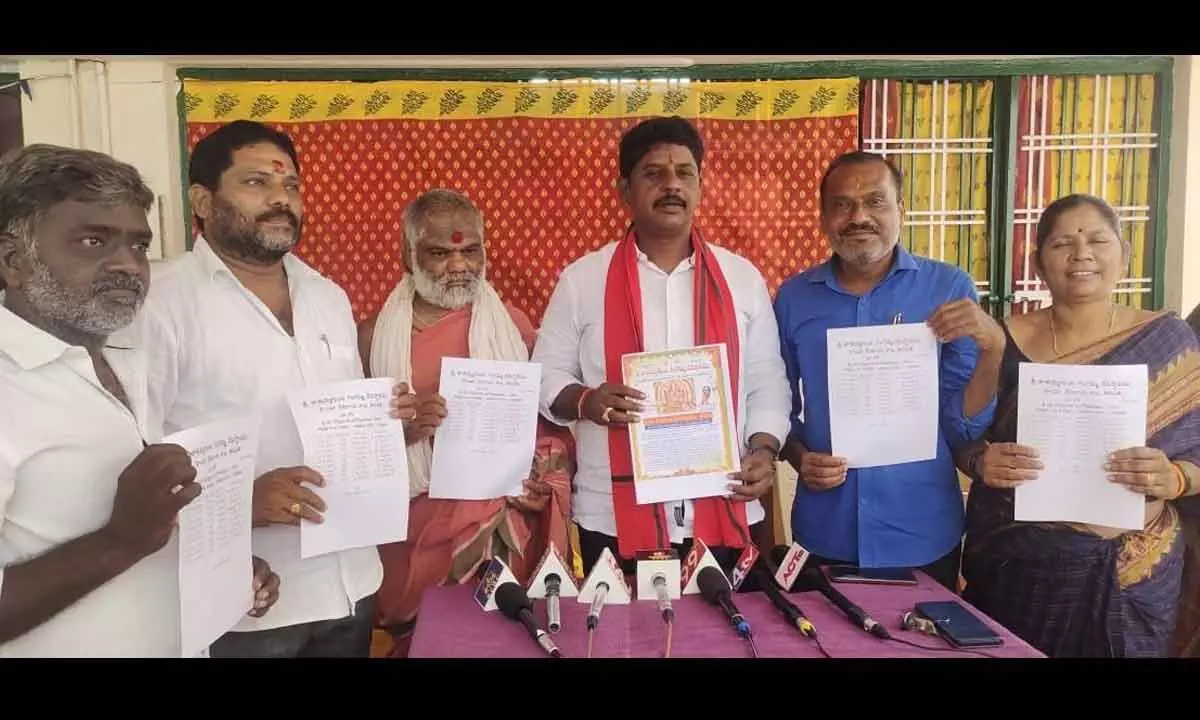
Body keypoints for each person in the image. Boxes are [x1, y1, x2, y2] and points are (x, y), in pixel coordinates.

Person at [140, 121, 415, 658]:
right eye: (255, 184)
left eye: (290, 186)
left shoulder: (327, 295)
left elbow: (335, 414)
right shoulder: (160, 302)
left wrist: (386, 421)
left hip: (351, 583)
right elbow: (136, 451)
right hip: (248, 595)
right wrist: (235, 503)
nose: (279, 199)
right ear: (202, 199)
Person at [0, 143, 280, 657]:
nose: (129, 266)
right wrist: (118, 541)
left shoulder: (131, 359)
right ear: (13, 261)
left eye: (139, 245)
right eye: (93, 240)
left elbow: (155, 525)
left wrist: (218, 570)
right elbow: (132, 537)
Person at [532, 116, 792, 578]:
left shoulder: (741, 279)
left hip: (722, 502)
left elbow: (768, 383)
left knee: (719, 642)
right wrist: (588, 401)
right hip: (611, 512)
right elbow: (546, 377)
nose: (671, 185)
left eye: (684, 172)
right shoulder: (582, 280)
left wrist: (764, 452)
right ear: (624, 191)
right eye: (654, 173)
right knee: (620, 644)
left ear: (700, 185)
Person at [955, 193, 1200, 657]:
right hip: (1021, 565)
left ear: (1124, 256)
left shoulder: (1169, 342)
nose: (1081, 253)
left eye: (1097, 240)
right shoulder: (1000, 340)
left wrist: (1175, 476)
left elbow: (1196, 454)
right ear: (1039, 262)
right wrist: (980, 461)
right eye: (1062, 242)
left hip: (1133, 572)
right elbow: (961, 435)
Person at [773, 151, 1005, 592]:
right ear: (823, 217)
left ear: (901, 210)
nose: (858, 216)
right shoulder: (793, 298)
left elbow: (961, 423)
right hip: (826, 525)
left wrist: (992, 347)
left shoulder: (948, 288)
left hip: (921, 528)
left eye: (876, 201)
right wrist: (800, 457)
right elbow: (777, 404)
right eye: (842, 204)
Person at [357, 188, 574, 658]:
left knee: (503, 641)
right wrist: (404, 432)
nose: (458, 266)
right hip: (413, 529)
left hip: (503, 522)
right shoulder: (373, 339)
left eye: (469, 250)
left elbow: (546, 425)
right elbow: (350, 446)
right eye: (440, 252)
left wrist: (540, 475)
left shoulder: (511, 327)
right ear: (406, 254)